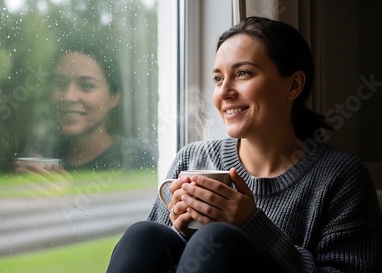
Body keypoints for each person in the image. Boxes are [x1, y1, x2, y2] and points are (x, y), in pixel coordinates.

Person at [106, 16, 381, 272]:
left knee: (218, 238)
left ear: (293, 86)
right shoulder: (193, 160)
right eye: (218, 78)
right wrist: (180, 226)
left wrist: (252, 225)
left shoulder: (342, 177)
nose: (224, 92)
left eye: (243, 74)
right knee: (143, 235)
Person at [14, 41, 156, 182]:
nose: (69, 96)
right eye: (60, 83)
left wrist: (61, 199)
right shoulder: (41, 155)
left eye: (87, 85)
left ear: (114, 96)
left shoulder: (136, 160)